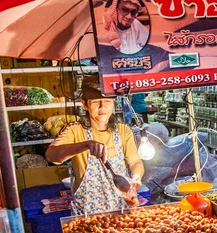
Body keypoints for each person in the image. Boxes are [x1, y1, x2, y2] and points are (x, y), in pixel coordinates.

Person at [45, 75, 144, 215]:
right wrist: (85, 145)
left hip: (122, 209)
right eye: (96, 102)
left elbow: (135, 161)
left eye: (107, 101)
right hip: (87, 214)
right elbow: (51, 156)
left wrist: (136, 178)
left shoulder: (123, 130)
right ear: (85, 104)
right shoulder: (74, 130)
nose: (103, 107)